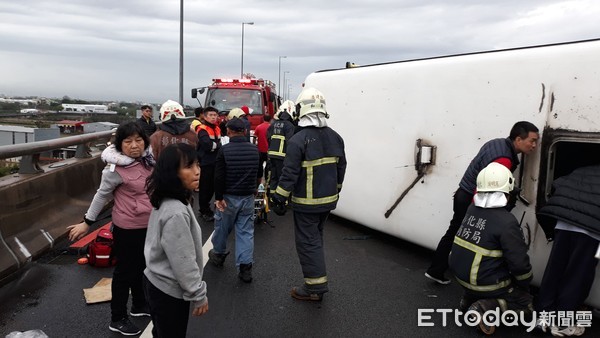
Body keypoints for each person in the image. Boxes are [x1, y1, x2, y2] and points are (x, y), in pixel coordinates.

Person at [67, 121, 155, 336]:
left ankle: (139, 305)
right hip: (127, 227)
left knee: (142, 266)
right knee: (125, 272)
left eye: (138, 140)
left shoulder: (148, 161)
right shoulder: (114, 170)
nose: (134, 145)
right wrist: (87, 222)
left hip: (149, 224)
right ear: (119, 144)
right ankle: (118, 318)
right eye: (128, 141)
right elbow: (101, 196)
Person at [425, 121, 539, 285]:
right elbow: (487, 188)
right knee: (471, 237)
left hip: (463, 194)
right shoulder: (504, 159)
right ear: (519, 139)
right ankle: (461, 274)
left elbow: (476, 169)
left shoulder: (496, 143)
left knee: (455, 232)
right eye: (532, 140)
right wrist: (482, 213)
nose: (534, 145)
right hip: (472, 198)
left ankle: (436, 269)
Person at [270, 88, 346, 301]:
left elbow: (289, 173)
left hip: (306, 203)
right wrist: (336, 191)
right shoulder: (336, 138)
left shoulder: (298, 139)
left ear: (301, 110)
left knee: (307, 243)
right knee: (316, 238)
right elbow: (341, 169)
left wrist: (279, 197)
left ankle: (314, 288)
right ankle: (316, 283)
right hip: (328, 202)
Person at [449, 162, 533, 335]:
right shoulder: (507, 222)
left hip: (460, 276)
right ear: (508, 191)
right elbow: (519, 266)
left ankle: (470, 298)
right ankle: (484, 307)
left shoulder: (472, 209)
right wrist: (524, 284)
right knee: (526, 303)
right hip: (482, 282)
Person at [144, 143, 208, 338]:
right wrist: (198, 295)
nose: (197, 172)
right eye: (188, 167)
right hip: (168, 291)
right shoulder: (176, 212)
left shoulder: (167, 198)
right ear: (173, 172)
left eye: (197, 165)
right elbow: (183, 260)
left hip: (155, 281)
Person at [534, 164, 600, 336]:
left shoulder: (581, 170)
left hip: (563, 223)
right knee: (578, 276)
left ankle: (543, 317)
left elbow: (558, 183)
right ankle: (563, 323)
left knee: (554, 270)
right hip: (590, 232)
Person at [208, 118, 259, 283]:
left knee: (222, 227)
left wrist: (219, 197)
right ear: (244, 131)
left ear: (228, 132)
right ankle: (245, 269)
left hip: (228, 197)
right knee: (245, 232)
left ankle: (218, 255)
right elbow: (258, 174)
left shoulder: (225, 150)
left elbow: (218, 176)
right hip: (247, 197)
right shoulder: (254, 149)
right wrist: (254, 189)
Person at [196, 106, 222, 222]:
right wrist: (218, 146)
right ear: (205, 116)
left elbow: (214, 145)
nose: (213, 117)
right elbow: (207, 146)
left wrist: (215, 146)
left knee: (213, 186)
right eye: (210, 115)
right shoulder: (202, 129)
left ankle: (207, 207)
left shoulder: (217, 128)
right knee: (205, 187)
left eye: (215, 115)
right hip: (206, 162)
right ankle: (204, 210)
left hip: (215, 160)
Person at [266, 100, 296, 195]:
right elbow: (290, 141)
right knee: (281, 177)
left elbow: (268, 137)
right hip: (282, 156)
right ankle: (280, 199)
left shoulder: (273, 124)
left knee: (273, 177)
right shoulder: (290, 126)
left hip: (272, 155)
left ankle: (272, 196)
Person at [253, 114, 271, 186]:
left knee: (259, 166)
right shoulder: (271, 127)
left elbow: (254, 137)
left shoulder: (258, 127)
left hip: (260, 150)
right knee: (268, 166)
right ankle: (267, 181)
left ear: (263, 119)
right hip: (269, 150)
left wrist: (255, 145)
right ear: (270, 120)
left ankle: (259, 183)